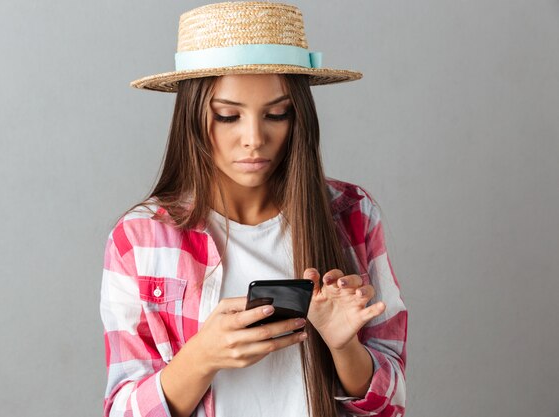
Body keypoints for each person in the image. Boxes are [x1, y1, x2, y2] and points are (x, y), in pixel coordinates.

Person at [99, 2, 407, 417]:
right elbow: (122, 410)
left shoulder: (351, 215)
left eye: (277, 113)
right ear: (192, 118)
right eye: (228, 116)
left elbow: (392, 404)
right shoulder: (141, 238)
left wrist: (342, 345)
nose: (253, 138)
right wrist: (201, 357)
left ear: (298, 117)